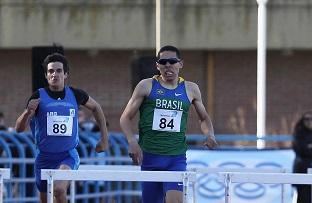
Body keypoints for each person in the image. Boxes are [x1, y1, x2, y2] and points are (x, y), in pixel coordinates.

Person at [120, 45, 218, 203]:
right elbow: (125, 118)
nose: (168, 65)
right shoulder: (146, 86)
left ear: (180, 64)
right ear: (157, 65)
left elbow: (204, 118)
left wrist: (210, 134)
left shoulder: (191, 89)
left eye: (172, 61)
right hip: (150, 156)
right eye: (163, 62)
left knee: (175, 200)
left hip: (175, 158)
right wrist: (132, 141)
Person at [15, 53, 109, 203]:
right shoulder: (38, 96)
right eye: (51, 71)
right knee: (45, 199)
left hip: (68, 155)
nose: (55, 74)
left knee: (58, 189)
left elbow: (96, 108)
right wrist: (27, 112)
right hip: (44, 157)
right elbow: (19, 129)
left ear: (66, 74)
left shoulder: (76, 94)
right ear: (46, 75)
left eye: (59, 71)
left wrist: (104, 139)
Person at [292, 111, 312, 203]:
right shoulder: (299, 133)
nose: (309, 121)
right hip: (302, 169)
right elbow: (300, 150)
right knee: (303, 197)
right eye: (307, 119)